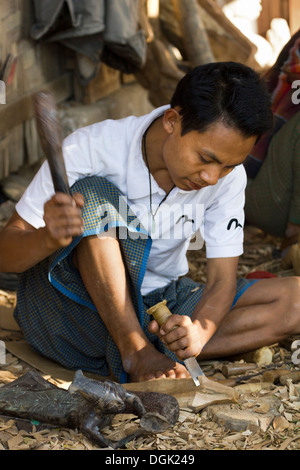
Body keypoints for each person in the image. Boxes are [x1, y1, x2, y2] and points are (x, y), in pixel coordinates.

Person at [1, 62, 300, 384]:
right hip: (75, 312)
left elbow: (220, 280)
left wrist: (200, 331)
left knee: (295, 301)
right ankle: (134, 348)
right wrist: (48, 238)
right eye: (205, 159)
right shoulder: (90, 149)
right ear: (173, 121)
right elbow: (6, 253)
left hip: (161, 306)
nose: (212, 177)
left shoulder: (226, 179)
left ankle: (156, 348)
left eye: (228, 166)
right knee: (92, 195)